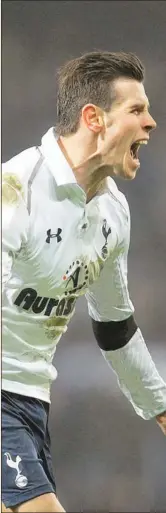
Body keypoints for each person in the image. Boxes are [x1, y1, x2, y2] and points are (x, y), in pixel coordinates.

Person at [2, 51, 166, 513]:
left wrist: (159, 404)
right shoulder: (16, 190)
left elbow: (115, 328)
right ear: (93, 118)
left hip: (32, 404)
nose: (151, 122)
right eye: (136, 110)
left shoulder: (113, 213)